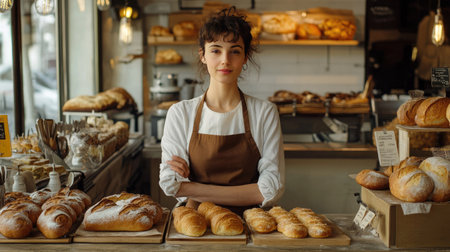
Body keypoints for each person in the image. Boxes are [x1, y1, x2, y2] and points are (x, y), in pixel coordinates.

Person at [159, 7, 285, 215]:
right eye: (216, 50)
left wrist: (191, 188)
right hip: (193, 222)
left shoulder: (264, 113)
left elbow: (270, 189)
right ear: (203, 55)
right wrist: (248, 191)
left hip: (249, 225)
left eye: (235, 51)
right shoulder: (180, 113)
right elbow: (170, 183)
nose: (225, 60)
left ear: (245, 57)